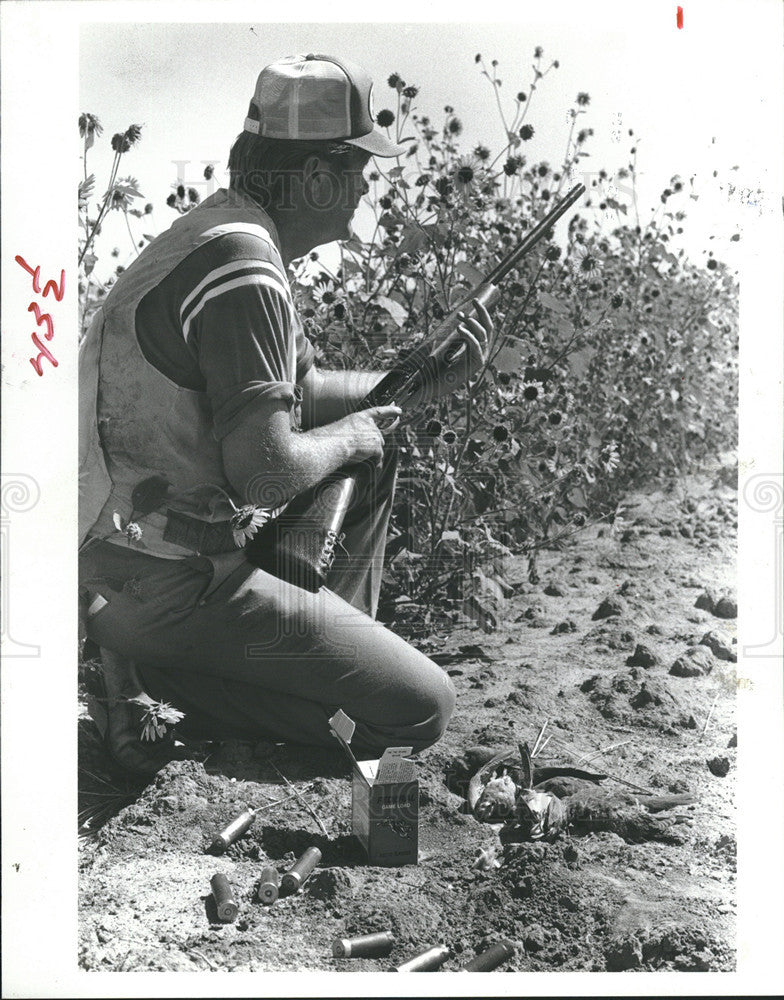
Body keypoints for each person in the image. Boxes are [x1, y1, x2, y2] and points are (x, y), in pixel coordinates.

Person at [78, 53, 492, 773]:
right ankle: (171, 683)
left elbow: (296, 396)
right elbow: (265, 477)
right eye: (358, 171)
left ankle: (255, 664)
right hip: (168, 584)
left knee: (367, 448)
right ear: (316, 177)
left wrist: (417, 380)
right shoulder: (246, 273)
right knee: (419, 709)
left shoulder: (223, 237)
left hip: (125, 567)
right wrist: (358, 432)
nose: (364, 189)